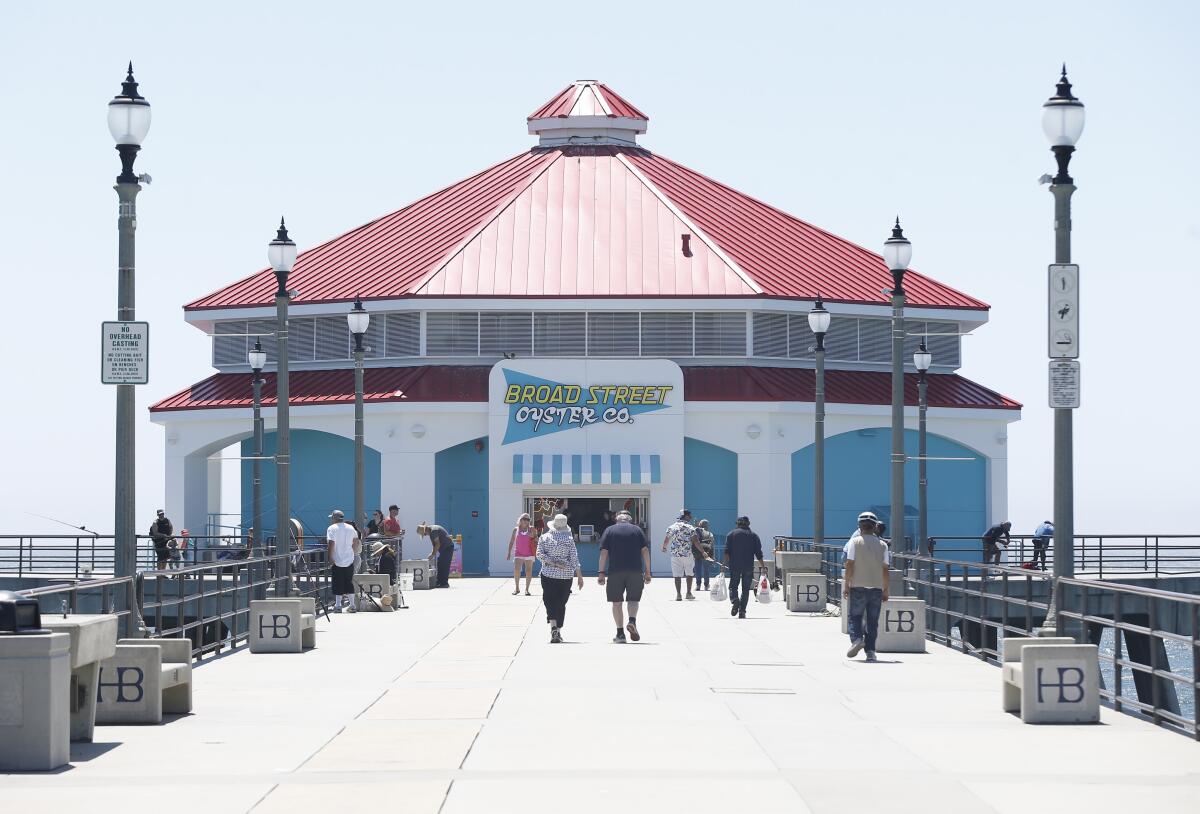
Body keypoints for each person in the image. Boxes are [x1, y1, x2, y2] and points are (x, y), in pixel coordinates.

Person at [597, 510, 652, 643]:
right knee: (633, 600)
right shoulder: (637, 530)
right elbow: (644, 550)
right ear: (630, 520)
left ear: (617, 519)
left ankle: (620, 634)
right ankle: (632, 621)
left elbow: (604, 552)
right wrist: (648, 571)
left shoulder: (609, 530)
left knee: (616, 603)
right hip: (635, 571)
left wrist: (601, 573)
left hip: (615, 571)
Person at [844, 511, 889, 662]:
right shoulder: (883, 545)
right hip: (876, 587)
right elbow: (885, 569)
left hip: (857, 585)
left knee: (855, 616)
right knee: (872, 621)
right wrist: (886, 589)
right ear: (875, 527)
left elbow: (849, 564)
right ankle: (871, 652)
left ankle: (857, 640)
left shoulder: (854, 543)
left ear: (859, 526)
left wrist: (846, 585)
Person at [536, 514, 583, 643]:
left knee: (549, 600)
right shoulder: (569, 539)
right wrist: (579, 575)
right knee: (561, 602)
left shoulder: (544, 538)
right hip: (566, 575)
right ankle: (558, 629)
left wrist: (553, 563)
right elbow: (574, 558)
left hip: (548, 574)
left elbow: (539, 555)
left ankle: (553, 627)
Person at [723, 516, 764, 619]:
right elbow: (758, 554)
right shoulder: (754, 535)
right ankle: (742, 612)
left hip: (735, 566)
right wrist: (763, 567)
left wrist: (724, 564)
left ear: (737, 523)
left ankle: (735, 600)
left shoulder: (731, 534)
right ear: (748, 523)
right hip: (748, 567)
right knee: (745, 589)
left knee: (733, 586)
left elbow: (726, 552)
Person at [326, 510, 361, 613]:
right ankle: (352, 605)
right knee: (348, 582)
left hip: (337, 559)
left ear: (334, 518)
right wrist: (352, 552)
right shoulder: (350, 528)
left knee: (338, 582)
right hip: (349, 559)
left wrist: (330, 557)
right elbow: (356, 541)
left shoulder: (331, 528)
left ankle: (337, 606)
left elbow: (331, 543)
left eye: (332, 518)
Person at [662, 509, 700, 600]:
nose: (690, 517)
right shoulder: (690, 527)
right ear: (686, 516)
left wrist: (664, 547)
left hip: (675, 555)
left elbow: (667, 539)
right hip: (687, 554)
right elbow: (696, 541)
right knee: (689, 574)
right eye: (689, 516)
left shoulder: (672, 527)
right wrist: (702, 551)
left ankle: (678, 595)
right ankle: (688, 593)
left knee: (677, 575)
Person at [506, 513, 537, 596]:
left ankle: (527, 589)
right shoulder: (516, 530)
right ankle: (517, 588)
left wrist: (533, 536)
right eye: (525, 519)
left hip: (529, 553)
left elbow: (536, 539)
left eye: (528, 520)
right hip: (518, 552)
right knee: (516, 570)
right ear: (521, 519)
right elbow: (512, 541)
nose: (526, 521)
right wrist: (509, 552)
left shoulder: (532, 529)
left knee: (528, 571)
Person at [418, 522, 455, 588]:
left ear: (425, 530)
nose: (425, 535)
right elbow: (435, 545)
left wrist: (432, 554)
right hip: (445, 548)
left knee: (444, 564)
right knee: (440, 563)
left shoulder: (433, 531)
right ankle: (439, 582)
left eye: (424, 534)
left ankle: (444, 583)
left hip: (447, 547)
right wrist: (432, 553)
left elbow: (438, 544)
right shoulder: (432, 531)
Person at [693, 519, 715, 591]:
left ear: (700, 524)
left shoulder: (696, 532)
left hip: (697, 553)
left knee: (697, 569)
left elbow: (693, 541)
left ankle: (698, 585)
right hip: (707, 553)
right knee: (706, 569)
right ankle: (706, 585)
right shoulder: (710, 534)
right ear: (707, 526)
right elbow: (712, 545)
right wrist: (713, 556)